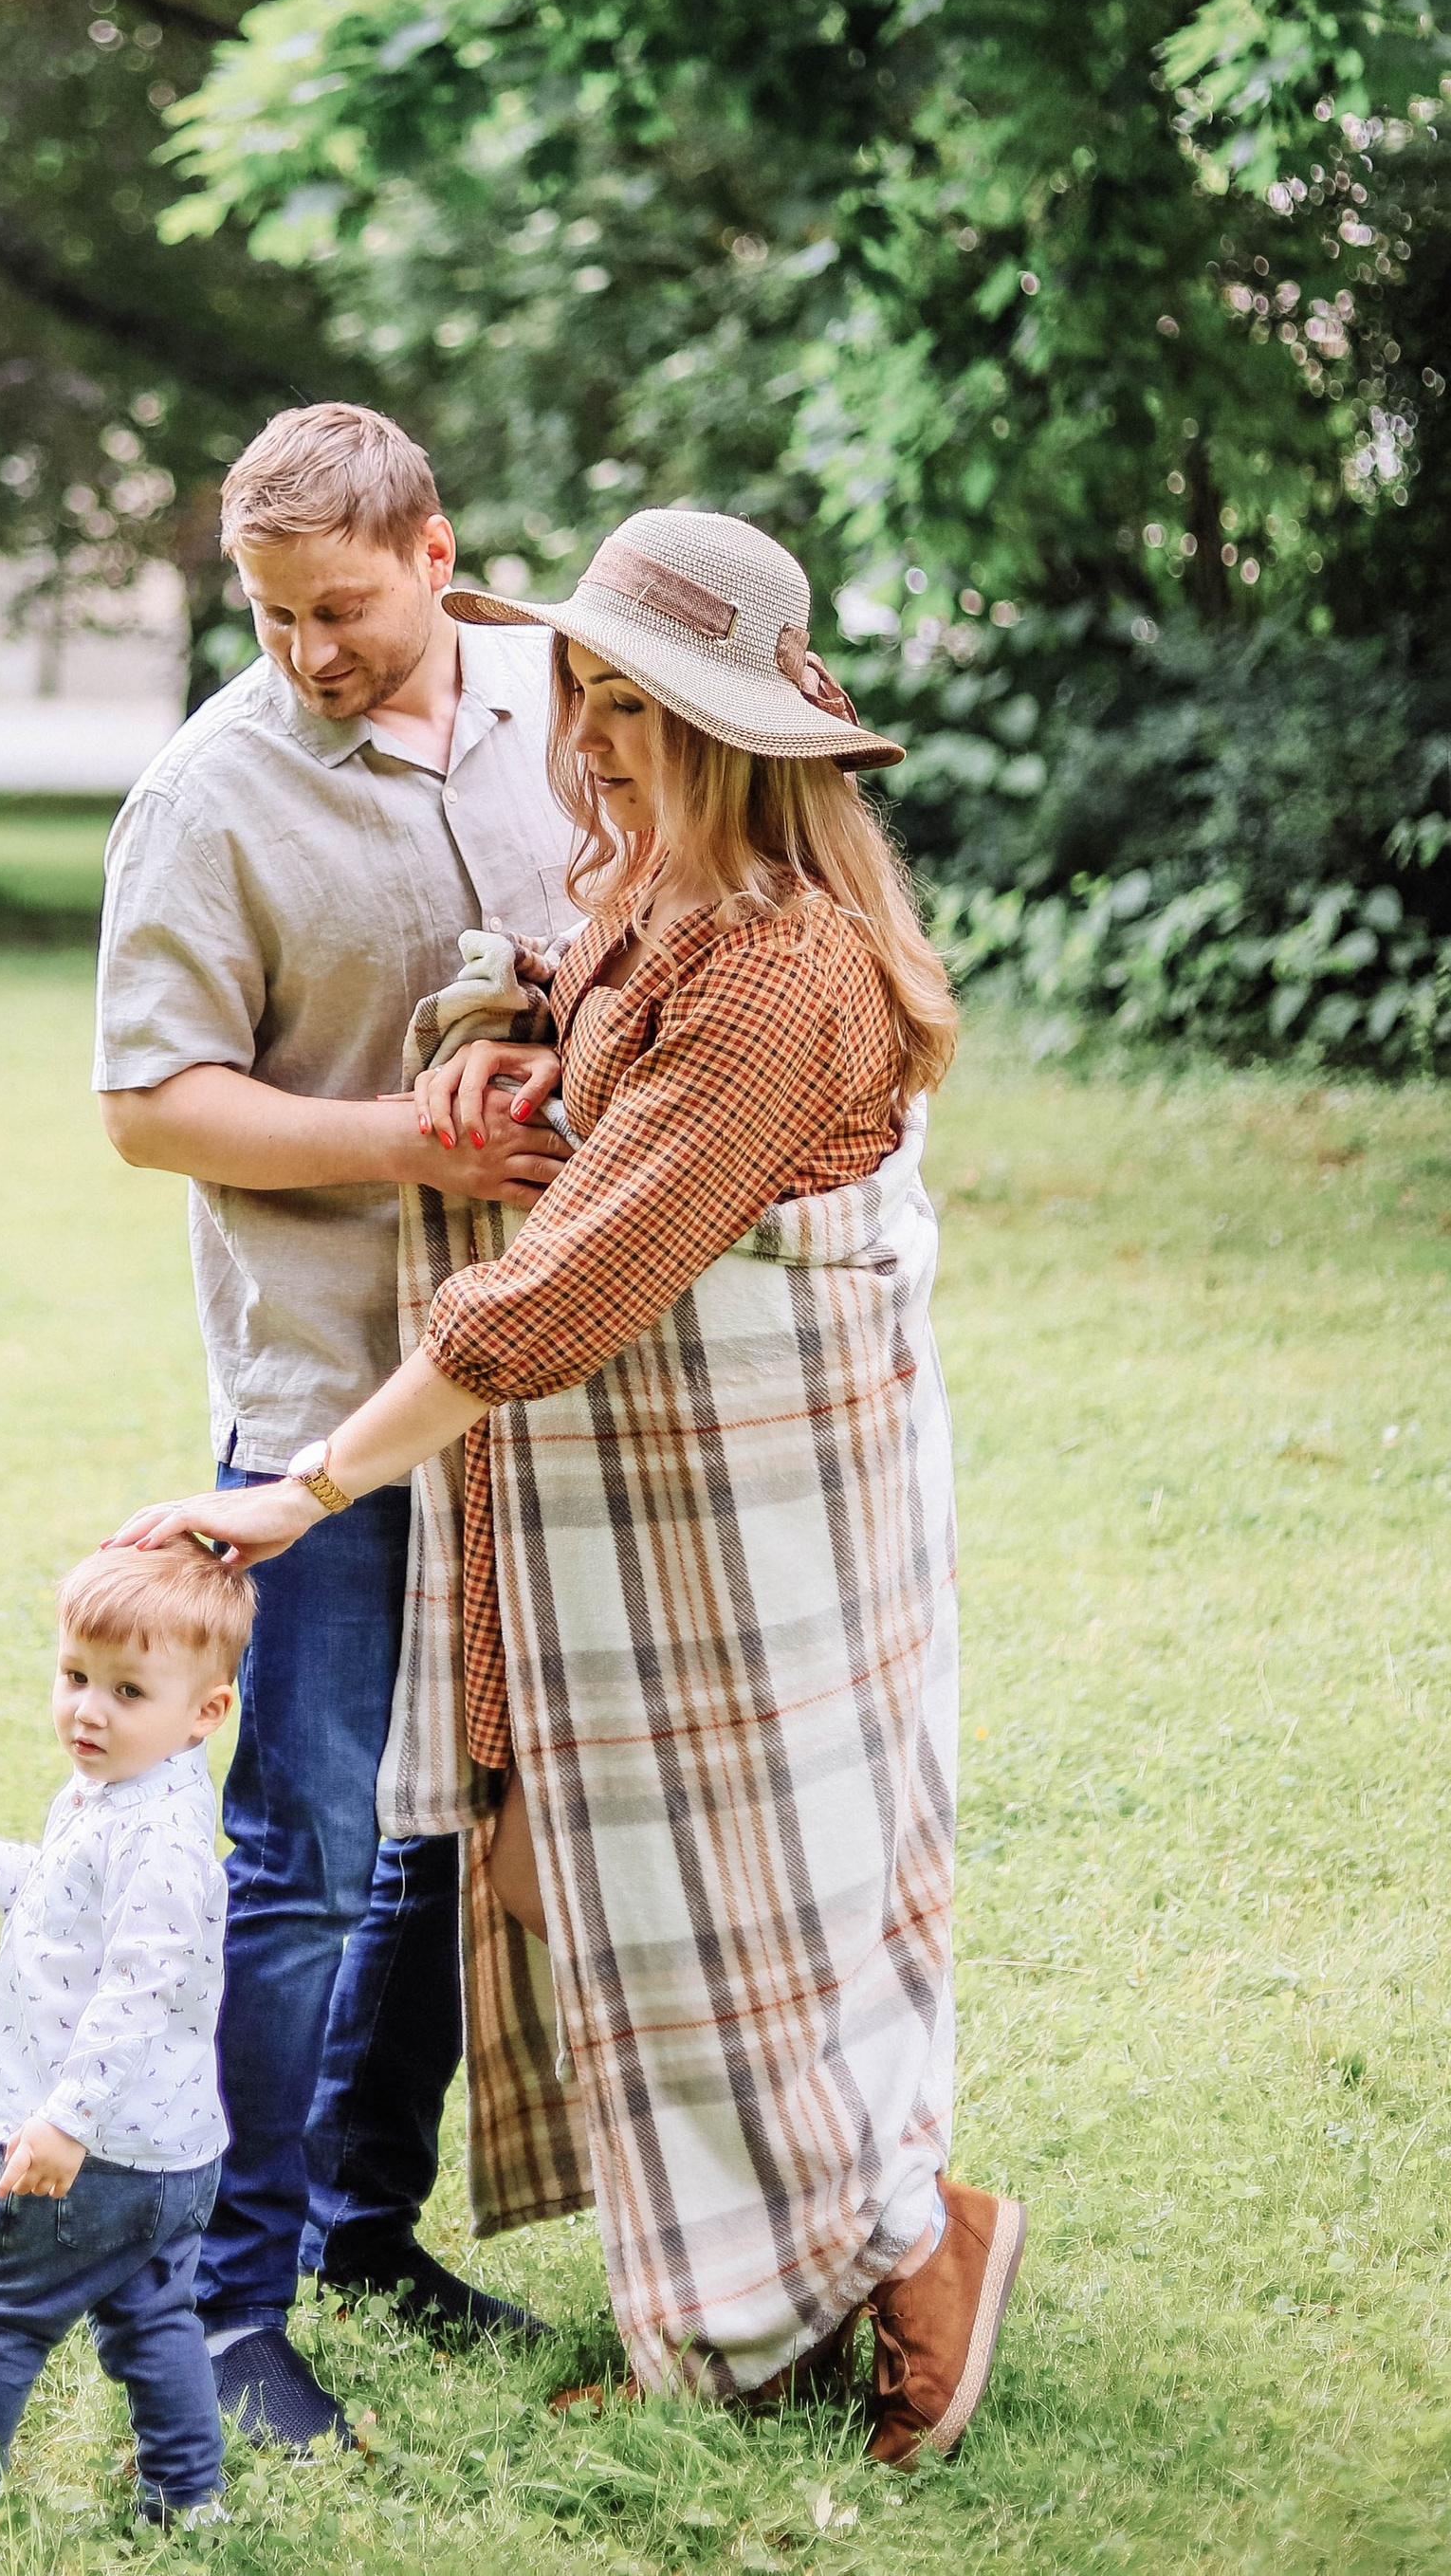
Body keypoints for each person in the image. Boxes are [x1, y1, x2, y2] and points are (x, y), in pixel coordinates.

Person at [114, 504, 1024, 2469]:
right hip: (625, 1532)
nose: (581, 739)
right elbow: (570, 1044)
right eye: (586, 695)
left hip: (758, 1528)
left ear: (728, 738)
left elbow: (567, 1285)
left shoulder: (776, 971)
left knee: (761, 1906)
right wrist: (501, 1042)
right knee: (613, 1893)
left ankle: (914, 2246)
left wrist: (301, 1491)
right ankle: (747, 2304)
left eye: (625, 711)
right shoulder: (653, 899)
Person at [94, 403, 574, 2449]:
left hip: (553, 1372)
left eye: (346, 610)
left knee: (456, 1833)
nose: (312, 654)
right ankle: (224, 2308)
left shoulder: (571, 692)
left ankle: (362, 2233)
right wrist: (403, 1135)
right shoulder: (206, 793)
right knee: (291, 1852)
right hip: (320, 1394)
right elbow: (149, 1104)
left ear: (438, 555)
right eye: (275, 618)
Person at [0, 1545, 256, 2541]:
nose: (88, 1710)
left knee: (5, 2312)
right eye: (75, 1677)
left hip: (92, 2149)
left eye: (127, 1690)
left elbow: (136, 1994)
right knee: (152, 2319)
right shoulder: (118, 1795)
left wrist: (63, 2120)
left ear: (204, 1713)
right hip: (166, 2147)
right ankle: (189, 2498)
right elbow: (66, 1894)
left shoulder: (163, 1845)